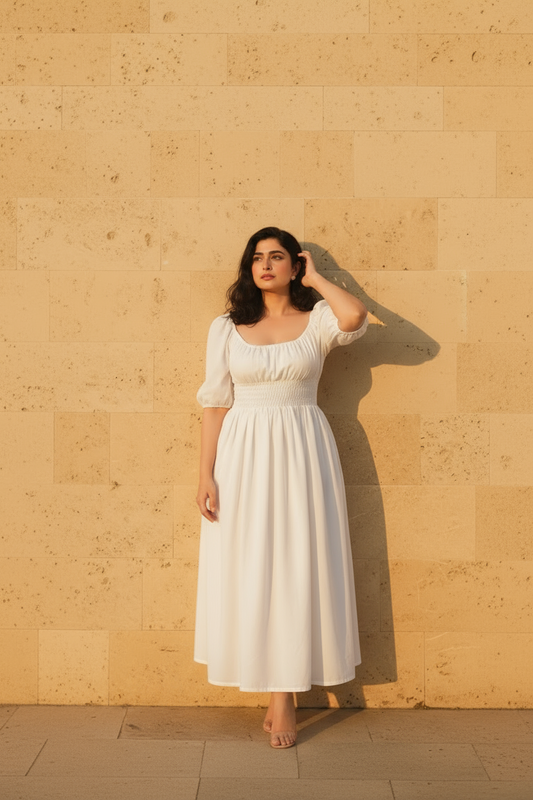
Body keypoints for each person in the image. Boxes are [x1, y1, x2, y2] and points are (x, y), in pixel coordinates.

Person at [195, 227, 368, 749]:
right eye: (257, 258)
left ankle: (284, 695)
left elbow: (354, 318)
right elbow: (214, 403)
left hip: (302, 448)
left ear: (294, 265)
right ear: (249, 268)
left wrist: (317, 278)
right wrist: (205, 473)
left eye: (277, 257)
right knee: (251, 564)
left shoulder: (317, 320)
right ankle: (272, 684)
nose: (265, 265)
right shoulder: (226, 327)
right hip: (242, 453)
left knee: (297, 562)